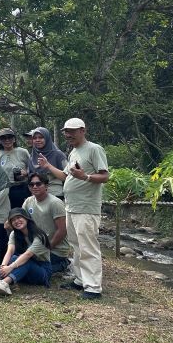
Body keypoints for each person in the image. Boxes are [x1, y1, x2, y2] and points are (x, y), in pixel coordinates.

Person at [36, 118, 108, 299]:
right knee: (76, 245)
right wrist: (47, 166)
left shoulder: (94, 149)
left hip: (86, 207)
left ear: (83, 130)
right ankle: (80, 279)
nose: (68, 135)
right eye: (66, 131)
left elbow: (105, 176)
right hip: (71, 206)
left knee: (88, 246)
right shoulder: (74, 152)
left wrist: (85, 177)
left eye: (72, 131)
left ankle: (93, 288)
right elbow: (64, 176)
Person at [0, 208, 52, 296]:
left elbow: (28, 255)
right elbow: (9, 251)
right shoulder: (14, 234)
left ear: (26, 218)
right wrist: (3, 266)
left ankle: (4, 283)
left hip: (43, 271)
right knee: (14, 257)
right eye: (13, 220)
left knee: (24, 259)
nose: (16, 221)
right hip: (24, 269)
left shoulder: (39, 236)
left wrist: (10, 268)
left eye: (19, 217)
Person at [22, 171, 71, 274]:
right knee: (22, 261)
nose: (35, 186)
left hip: (55, 249)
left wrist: (47, 248)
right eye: (31, 184)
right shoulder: (28, 202)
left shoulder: (55, 203)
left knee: (30, 267)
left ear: (46, 185)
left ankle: (63, 263)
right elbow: (22, 222)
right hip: (37, 246)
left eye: (38, 184)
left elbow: (62, 230)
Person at [0, 127, 30, 209]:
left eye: (9, 137)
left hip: (22, 188)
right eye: (3, 138)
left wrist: (26, 173)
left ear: (14, 139)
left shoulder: (23, 152)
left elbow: (32, 168)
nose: (7, 140)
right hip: (4, 190)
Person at [29, 127, 68, 199]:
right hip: (37, 195)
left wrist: (48, 166)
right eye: (35, 138)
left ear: (47, 138)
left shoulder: (58, 154)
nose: (37, 140)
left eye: (41, 137)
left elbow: (66, 177)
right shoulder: (33, 155)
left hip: (55, 194)